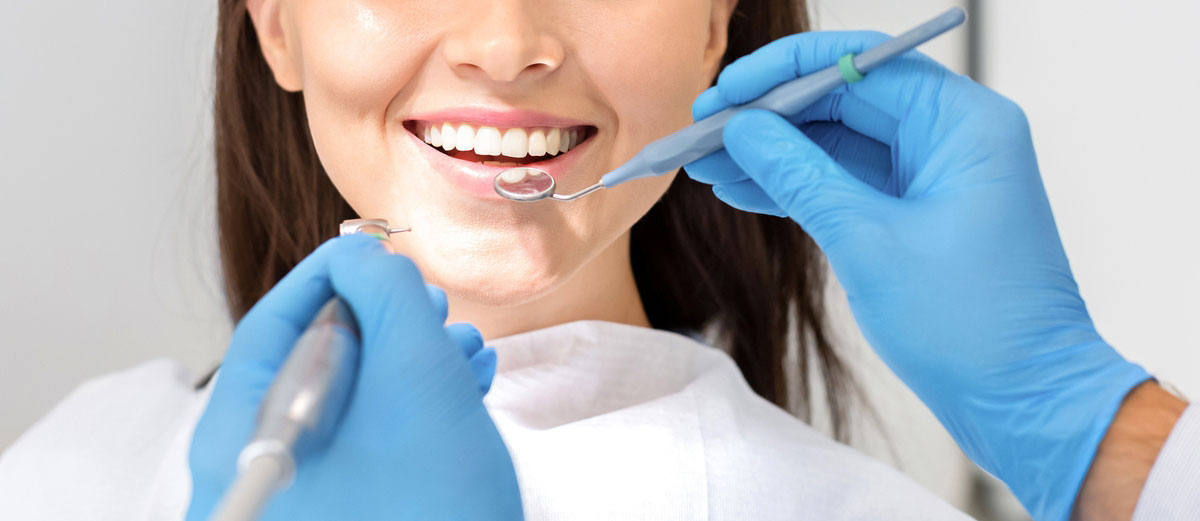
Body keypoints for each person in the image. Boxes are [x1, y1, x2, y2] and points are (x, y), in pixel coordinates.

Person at [0, 3, 1194, 521]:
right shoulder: (69, 465)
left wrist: (1089, 421)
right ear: (276, 20)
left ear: (717, 23)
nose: (508, 42)